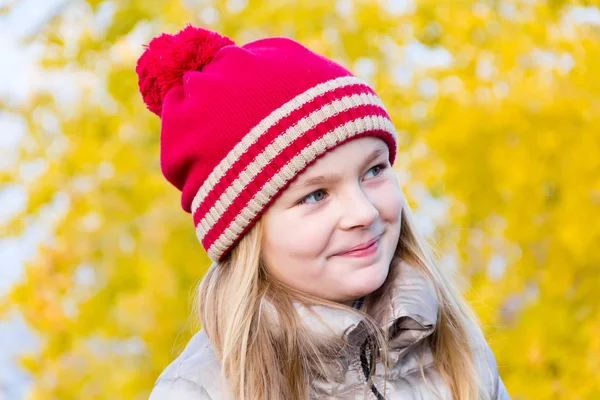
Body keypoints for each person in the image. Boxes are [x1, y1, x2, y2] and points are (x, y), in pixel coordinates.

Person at [135, 24, 509, 400]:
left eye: (374, 170)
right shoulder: (201, 391)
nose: (362, 212)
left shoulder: (457, 353)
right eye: (315, 195)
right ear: (244, 233)